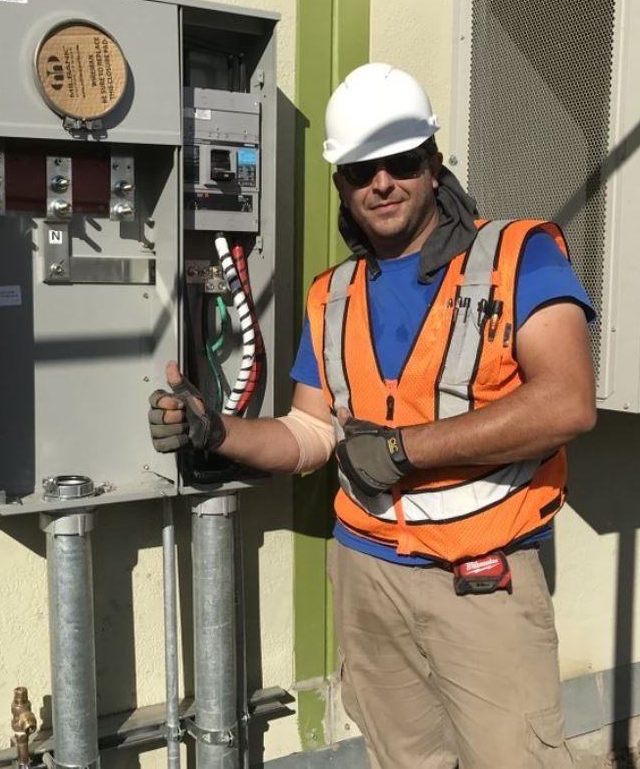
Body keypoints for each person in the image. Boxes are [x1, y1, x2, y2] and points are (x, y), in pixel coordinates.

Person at [148, 62, 596, 769]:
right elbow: (309, 433)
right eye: (362, 170)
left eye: (401, 162)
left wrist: (402, 449)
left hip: (481, 579)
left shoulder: (519, 255)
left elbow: (566, 400)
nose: (382, 183)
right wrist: (218, 431)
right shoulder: (332, 294)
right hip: (366, 574)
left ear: (432, 164)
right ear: (342, 185)